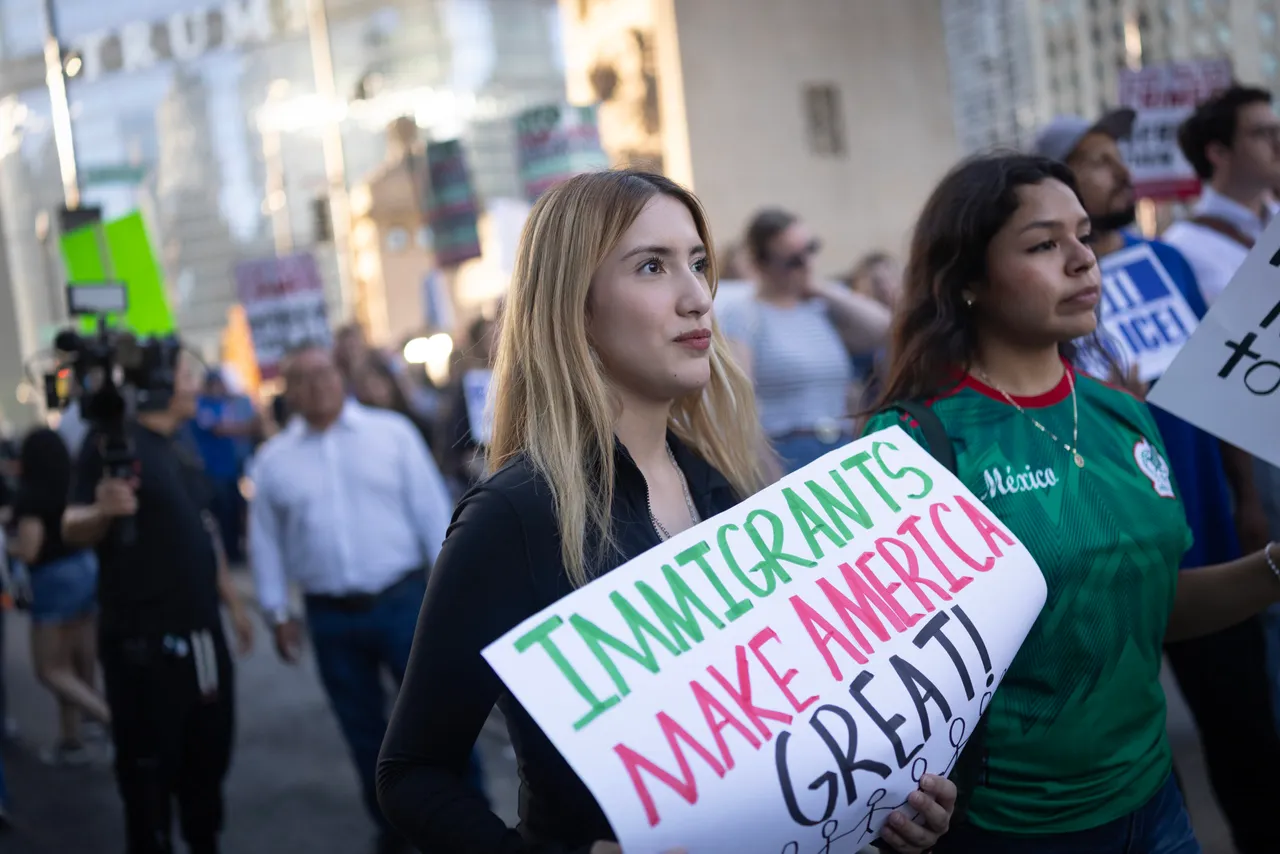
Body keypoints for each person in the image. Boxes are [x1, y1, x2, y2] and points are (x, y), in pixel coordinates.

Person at [376, 169, 957, 854]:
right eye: (652, 266)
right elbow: (412, 775)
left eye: (700, 264)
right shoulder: (516, 516)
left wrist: (884, 805)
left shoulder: (730, 489)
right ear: (576, 307)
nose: (696, 299)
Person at [861, 152, 1280, 854]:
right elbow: (881, 673)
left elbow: (1152, 604)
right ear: (967, 279)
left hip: (1156, 804)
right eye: (1044, 244)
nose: (1084, 261)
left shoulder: (1126, 415)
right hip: (1010, 830)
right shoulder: (913, 443)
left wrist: (1271, 566)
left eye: (1083, 236)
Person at [1035, 110, 1280, 854]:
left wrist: (1243, 498)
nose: (1119, 173)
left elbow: (1222, 381)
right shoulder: (1045, 297)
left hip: (1207, 527)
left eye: (1117, 158)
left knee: (1245, 732)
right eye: (1096, 161)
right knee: (1139, 738)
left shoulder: (1164, 261)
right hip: (1114, 550)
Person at [248, 343, 461, 854]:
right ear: (289, 392)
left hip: (405, 602)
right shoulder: (273, 461)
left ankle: (460, 824)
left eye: (325, 373)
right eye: (303, 378)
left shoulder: (391, 435)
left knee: (438, 722)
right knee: (365, 733)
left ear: (341, 377)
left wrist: (452, 593)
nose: (317, 385)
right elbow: (266, 544)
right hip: (330, 618)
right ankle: (394, 829)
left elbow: (433, 514)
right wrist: (277, 612)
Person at [63, 352, 253, 854]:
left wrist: (232, 603)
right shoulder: (111, 442)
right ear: (164, 383)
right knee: (147, 780)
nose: (198, 386)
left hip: (203, 641)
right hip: (142, 648)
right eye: (190, 376)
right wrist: (102, 511)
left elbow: (204, 530)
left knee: (206, 763)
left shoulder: (180, 445)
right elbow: (70, 524)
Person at [718, 209, 891, 473]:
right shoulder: (745, 313)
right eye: (793, 259)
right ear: (763, 263)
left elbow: (885, 329)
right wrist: (769, 473)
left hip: (843, 445)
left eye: (811, 249)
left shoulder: (820, 306)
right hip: (789, 450)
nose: (807, 263)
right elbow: (739, 404)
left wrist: (820, 288)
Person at [8, 427, 110, 765]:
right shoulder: (71, 488)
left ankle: (109, 719)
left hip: (53, 580)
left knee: (50, 669)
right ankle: (73, 740)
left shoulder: (30, 500)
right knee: (78, 662)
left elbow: (29, 549)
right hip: (83, 568)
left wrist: (9, 545)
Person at [189, 369, 259, 564]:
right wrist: (250, 426)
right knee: (219, 513)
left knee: (233, 511)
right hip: (212, 471)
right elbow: (220, 428)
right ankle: (225, 555)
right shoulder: (202, 406)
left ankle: (234, 551)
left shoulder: (224, 403)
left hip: (229, 469)